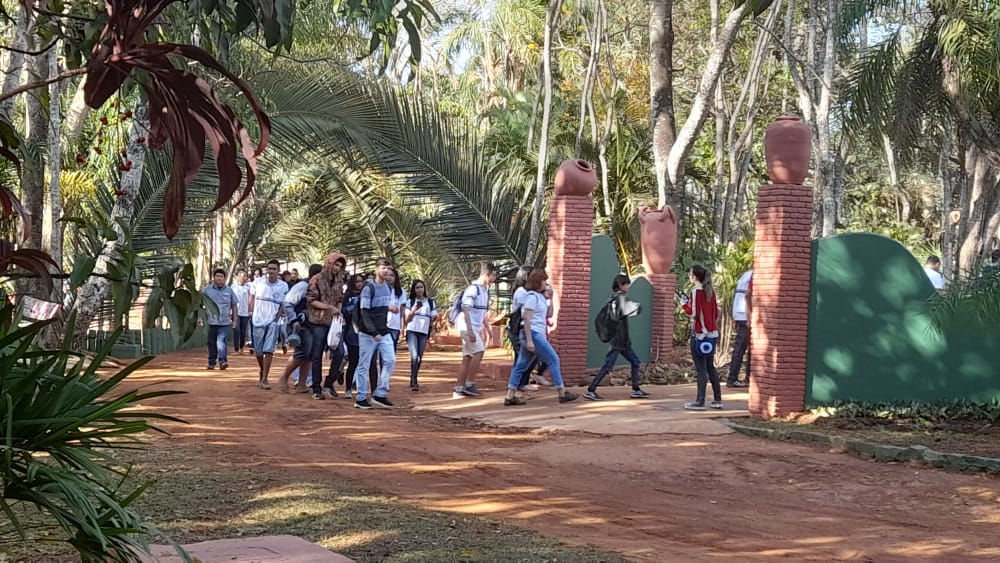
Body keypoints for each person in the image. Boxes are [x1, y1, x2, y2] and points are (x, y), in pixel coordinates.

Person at [503, 268, 577, 406]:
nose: (545, 283)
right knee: (554, 360)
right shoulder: (531, 297)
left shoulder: (539, 298)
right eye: (543, 280)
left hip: (534, 334)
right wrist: (530, 340)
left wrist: (551, 299)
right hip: (533, 334)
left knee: (521, 364)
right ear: (538, 282)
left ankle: (510, 396)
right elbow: (526, 318)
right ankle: (561, 393)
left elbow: (548, 315)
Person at [584, 274, 647, 400]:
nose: (628, 286)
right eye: (626, 284)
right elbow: (636, 309)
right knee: (608, 366)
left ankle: (636, 389)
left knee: (635, 362)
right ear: (620, 285)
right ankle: (591, 390)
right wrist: (637, 306)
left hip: (622, 341)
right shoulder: (620, 300)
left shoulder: (613, 299)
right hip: (618, 341)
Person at [353, 258, 396, 410]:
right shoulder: (368, 288)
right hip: (368, 333)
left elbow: (380, 307)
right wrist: (373, 331)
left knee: (390, 359)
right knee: (364, 364)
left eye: (388, 268)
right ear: (376, 269)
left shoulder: (388, 288)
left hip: (383, 331)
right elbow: (364, 311)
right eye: (384, 267)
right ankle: (360, 397)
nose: (386, 271)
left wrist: (389, 308)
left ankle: (380, 393)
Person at [682, 265, 723, 411]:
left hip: (699, 335)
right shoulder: (710, 291)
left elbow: (693, 313)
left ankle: (700, 401)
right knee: (710, 367)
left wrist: (683, 304)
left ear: (694, 277)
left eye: (690, 274)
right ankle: (718, 399)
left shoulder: (696, 291)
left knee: (700, 369)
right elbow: (715, 314)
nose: (689, 276)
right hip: (712, 335)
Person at [306, 252, 347, 399]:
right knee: (317, 354)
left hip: (335, 322)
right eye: (336, 264)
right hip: (319, 322)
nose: (337, 268)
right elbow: (311, 300)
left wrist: (339, 309)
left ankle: (329, 382)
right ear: (329, 263)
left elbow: (341, 298)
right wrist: (329, 307)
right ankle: (316, 387)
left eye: (340, 266)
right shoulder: (316, 280)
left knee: (340, 353)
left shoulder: (339, 281)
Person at [453, 262, 497, 399]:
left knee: (468, 356)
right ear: (486, 275)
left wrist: (487, 328)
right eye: (493, 275)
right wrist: (471, 330)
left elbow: (481, 312)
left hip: (474, 326)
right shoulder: (473, 289)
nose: (494, 278)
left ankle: (459, 388)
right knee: (479, 350)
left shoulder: (485, 290)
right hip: (466, 326)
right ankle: (469, 383)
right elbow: (466, 309)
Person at [277, 264, 321, 395]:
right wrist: (294, 320)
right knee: (301, 353)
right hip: (299, 324)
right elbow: (288, 303)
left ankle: (302, 384)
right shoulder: (302, 286)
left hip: (311, 324)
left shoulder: (319, 288)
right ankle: (284, 377)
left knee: (309, 355)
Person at [249, 260, 289, 390]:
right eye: (269, 269)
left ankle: (265, 378)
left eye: (274, 269)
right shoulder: (258, 282)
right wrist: (251, 312)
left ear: (278, 271)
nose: (271, 271)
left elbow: (284, 303)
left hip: (272, 322)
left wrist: (277, 318)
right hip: (257, 319)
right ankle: (262, 369)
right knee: (258, 351)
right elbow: (252, 297)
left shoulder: (283, 286)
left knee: (269, 350)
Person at [404, 279, 438, 391]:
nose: (420, 289)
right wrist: (413, 310)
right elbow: (407, 319)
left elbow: (434, 317)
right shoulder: (410, 302)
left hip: (423, 332)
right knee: (414, 356)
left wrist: (433, 322)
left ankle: (414, 376)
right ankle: (414, 380)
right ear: (414, 289)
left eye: (421, 287)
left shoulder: (430, 302)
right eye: (417, 287)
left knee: (419, 357)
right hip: (412, 330)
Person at [201, 269, 237, 370]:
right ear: (214, 278)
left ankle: (223, 361)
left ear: (224, 278)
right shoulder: (206, 290)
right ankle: (211, 362)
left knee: (221, 342)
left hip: (224, 322)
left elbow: (234, 305)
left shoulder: (229, 291)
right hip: (211, 322)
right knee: (211, 342)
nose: (219, 278)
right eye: (217, 276)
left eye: (221, 276)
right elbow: (199, 303)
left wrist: (234, 320)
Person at [339, 274, 366, 399]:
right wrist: (354, 306)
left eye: (361, 281)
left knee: (363, 362)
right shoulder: (348, 296)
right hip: (352, 331)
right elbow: (344, 311)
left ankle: (360, 386)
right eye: (357, 281)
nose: (359, 284)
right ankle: (348, 388)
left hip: (365, 331)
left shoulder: (366, 295)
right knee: (353, 362)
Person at [727, 269, 752, 388]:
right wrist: (749, 316)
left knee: (740, 348)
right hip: (745, 315)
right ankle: (733, 378)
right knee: (741, 349)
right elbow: (748, 295)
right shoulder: (754, 275)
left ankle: (746, 377)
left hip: (738, 313)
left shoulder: (746, 274)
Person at [231, 269, 252, 355]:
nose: (245, 278)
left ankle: (241, 348)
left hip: (245, 312)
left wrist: (250, 310)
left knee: (243, 331)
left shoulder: (248, 287)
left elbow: (251, 299)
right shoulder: (233, 287)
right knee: (236, 329)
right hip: (236, 312)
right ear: (239, 277)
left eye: (246, 276)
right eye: (243, 276)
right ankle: (236, 349)